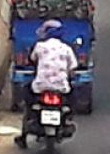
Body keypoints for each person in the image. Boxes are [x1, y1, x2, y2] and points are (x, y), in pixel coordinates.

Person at [16, 19, 78, 147]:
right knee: (72, 98)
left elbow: (32, 59)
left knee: (28, 103)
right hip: (61, 88)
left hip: (40, 87)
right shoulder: (67, 49)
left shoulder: (39, 47)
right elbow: (73, 68)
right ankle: (68, 118)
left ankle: (23, 136)